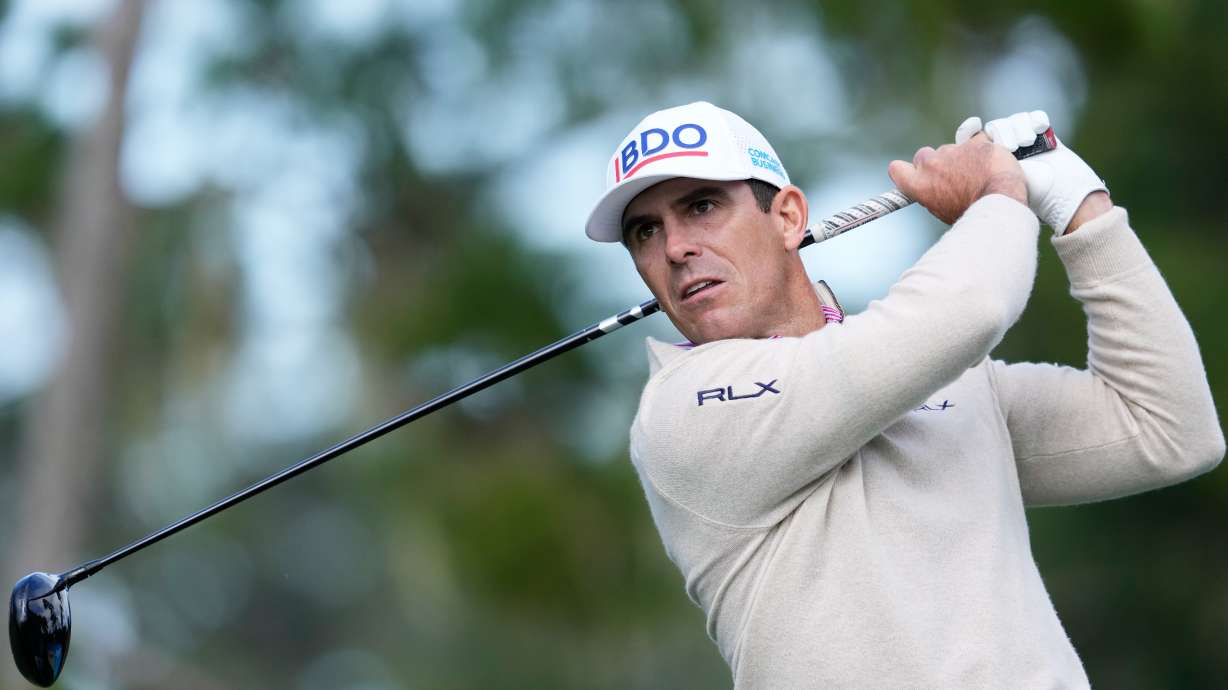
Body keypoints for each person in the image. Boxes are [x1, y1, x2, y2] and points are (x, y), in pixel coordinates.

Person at [583, 101, 1224, 688]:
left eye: (700, 206)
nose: (674, 248)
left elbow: (1168, 431)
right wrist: (1000, 193)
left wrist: (1083, 210)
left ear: (787, 217)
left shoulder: (947, 380)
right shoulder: (682, 413)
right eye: (644, 232)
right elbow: (969, 307)